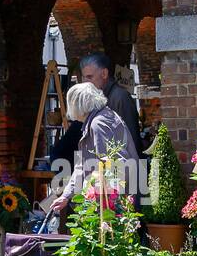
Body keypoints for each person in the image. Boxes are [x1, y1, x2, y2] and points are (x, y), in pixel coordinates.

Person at [50, 82, 140, 215]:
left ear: (78, 105)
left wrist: (106, 199)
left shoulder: (98, 123)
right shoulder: (103, 117)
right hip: (114, 199)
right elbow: (83, 165)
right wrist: (66, 195)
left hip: (111, 204)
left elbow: (115, 163)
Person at [79, 51, 143, 156]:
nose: (85, 83)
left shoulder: (120, 98)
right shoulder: (93, 99)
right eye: (84, 77)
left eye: (90, 77)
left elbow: (132, 139)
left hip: (121, 165)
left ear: (104, 74)